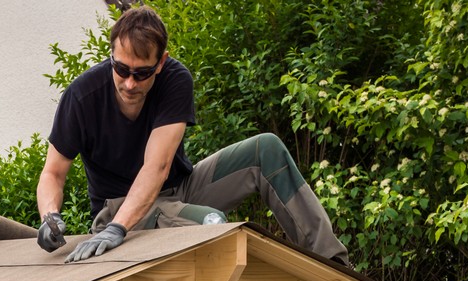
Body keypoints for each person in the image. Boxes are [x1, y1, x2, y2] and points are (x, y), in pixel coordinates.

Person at [36, 5, 350, 266]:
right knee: (210, 223)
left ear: (161, 63)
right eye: (121, 70)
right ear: (111, 56)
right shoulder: (82, 96)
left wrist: (120, 229)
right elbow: (53, 172)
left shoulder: (175, 80)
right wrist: (50, 217)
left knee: (265, 149)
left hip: (177, 189)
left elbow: (156, 168)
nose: (130, 83)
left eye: (142, 73)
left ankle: (335, 265)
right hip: (116, 209)